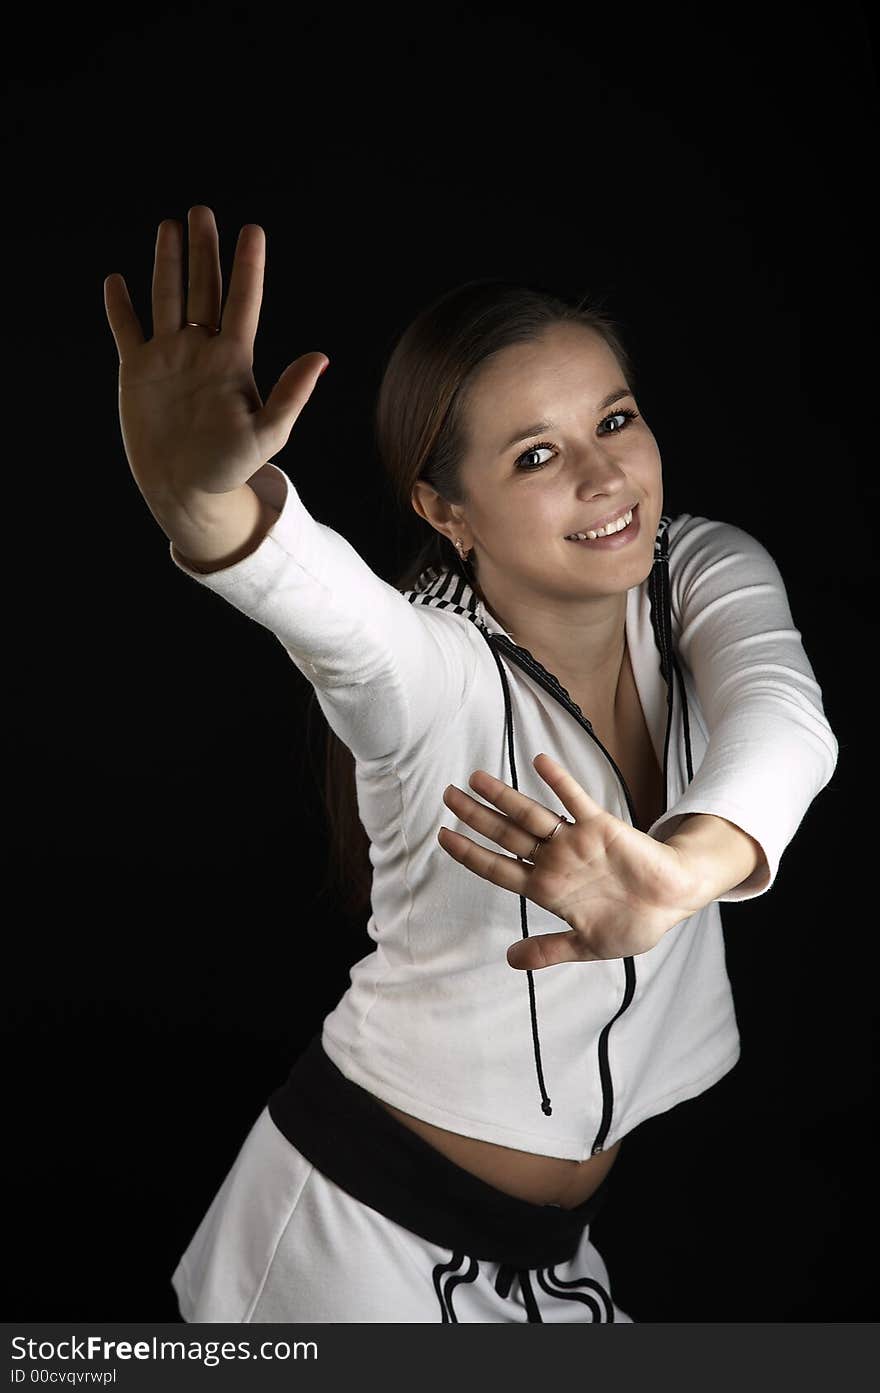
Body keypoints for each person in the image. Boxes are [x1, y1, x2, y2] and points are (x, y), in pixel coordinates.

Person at [103, 205, 838, 1323]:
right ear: (448, 511)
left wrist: (682, 872)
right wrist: (206, 502)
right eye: (536, 455)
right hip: (352, 1253)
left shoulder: (698, 568)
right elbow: (331, 611)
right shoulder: (428, 671)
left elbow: (782, 719)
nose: (605, 477)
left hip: (548, 1262)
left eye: (616, 419)